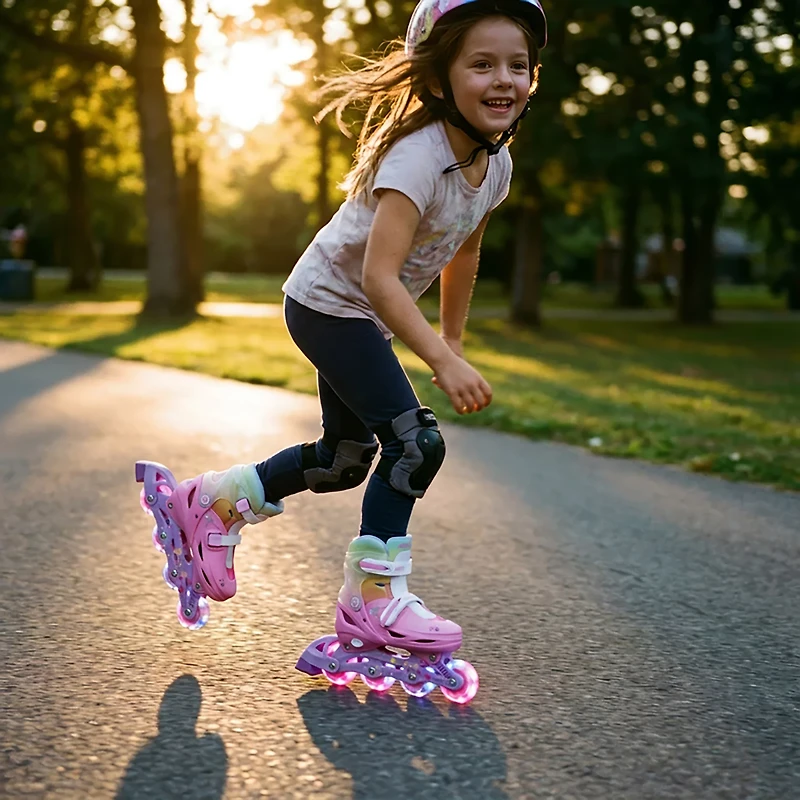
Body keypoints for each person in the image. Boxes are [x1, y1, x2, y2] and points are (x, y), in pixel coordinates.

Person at [137, 0, 547, 702]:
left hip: (360, 314)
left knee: (344, 462)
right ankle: (373, 600)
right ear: (441, 77)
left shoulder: (495, 163)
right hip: (330, 306)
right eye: (482, 63)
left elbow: (465, 247)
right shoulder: (417, 158)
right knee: (417, 445)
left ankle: (211, 502)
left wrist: (451, 339)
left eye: (517, 65)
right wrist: (439, 364)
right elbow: (377, 279)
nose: (503, 79)